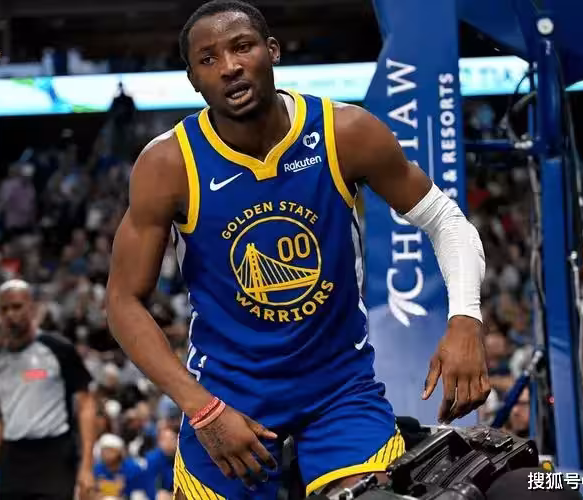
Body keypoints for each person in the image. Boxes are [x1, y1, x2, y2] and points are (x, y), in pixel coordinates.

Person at [105, 1, 489, 498]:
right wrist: (202, 409)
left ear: (272, 51)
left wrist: (465, 320)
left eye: (242, 47)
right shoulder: (168, 164)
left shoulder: (344, 132)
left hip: (338, 390)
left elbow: (447, 221)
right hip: (226, 396)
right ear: (193, 79)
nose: (229, 66)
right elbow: (122, 301)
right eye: (208, 59)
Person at [0, 279, 97, 500]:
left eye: (17, 307)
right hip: (12, 460)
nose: (10, 314)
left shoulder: (59, 349)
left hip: (55, 457)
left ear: (32, 308)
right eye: (4, 309)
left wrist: (87, 466)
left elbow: (86, 404)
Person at [92, 434, 146, 499]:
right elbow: (94, 490)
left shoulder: (132, 468)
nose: (105, 453)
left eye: (109, 450)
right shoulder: (98, 468)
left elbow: (131, 492)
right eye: (103, 450)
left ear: (119, 452)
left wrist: (107, 487)